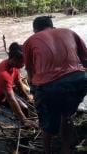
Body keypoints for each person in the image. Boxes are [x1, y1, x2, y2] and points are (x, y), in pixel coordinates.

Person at [23, 16, 87, 154]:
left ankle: (47, 151)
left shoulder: (30, 41)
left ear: (35, 30)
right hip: (79, 80)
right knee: (67, 116)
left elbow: (30, 72)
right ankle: (66, 150)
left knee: (47, 124)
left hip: (49, 86)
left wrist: (34, 91)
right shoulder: (69, 32)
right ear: (52, 26)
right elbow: (85, 59)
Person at [0, 42, 37, 130]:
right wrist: (24, 120)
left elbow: (18, 82)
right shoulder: (4, 75)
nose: (23, 65)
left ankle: (25, 128)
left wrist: (27, 96)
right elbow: (11, 99)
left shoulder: (14, 66)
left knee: (24, 107)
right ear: (14, 59)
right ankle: (24, 123)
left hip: (4, 94)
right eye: (21, 62)